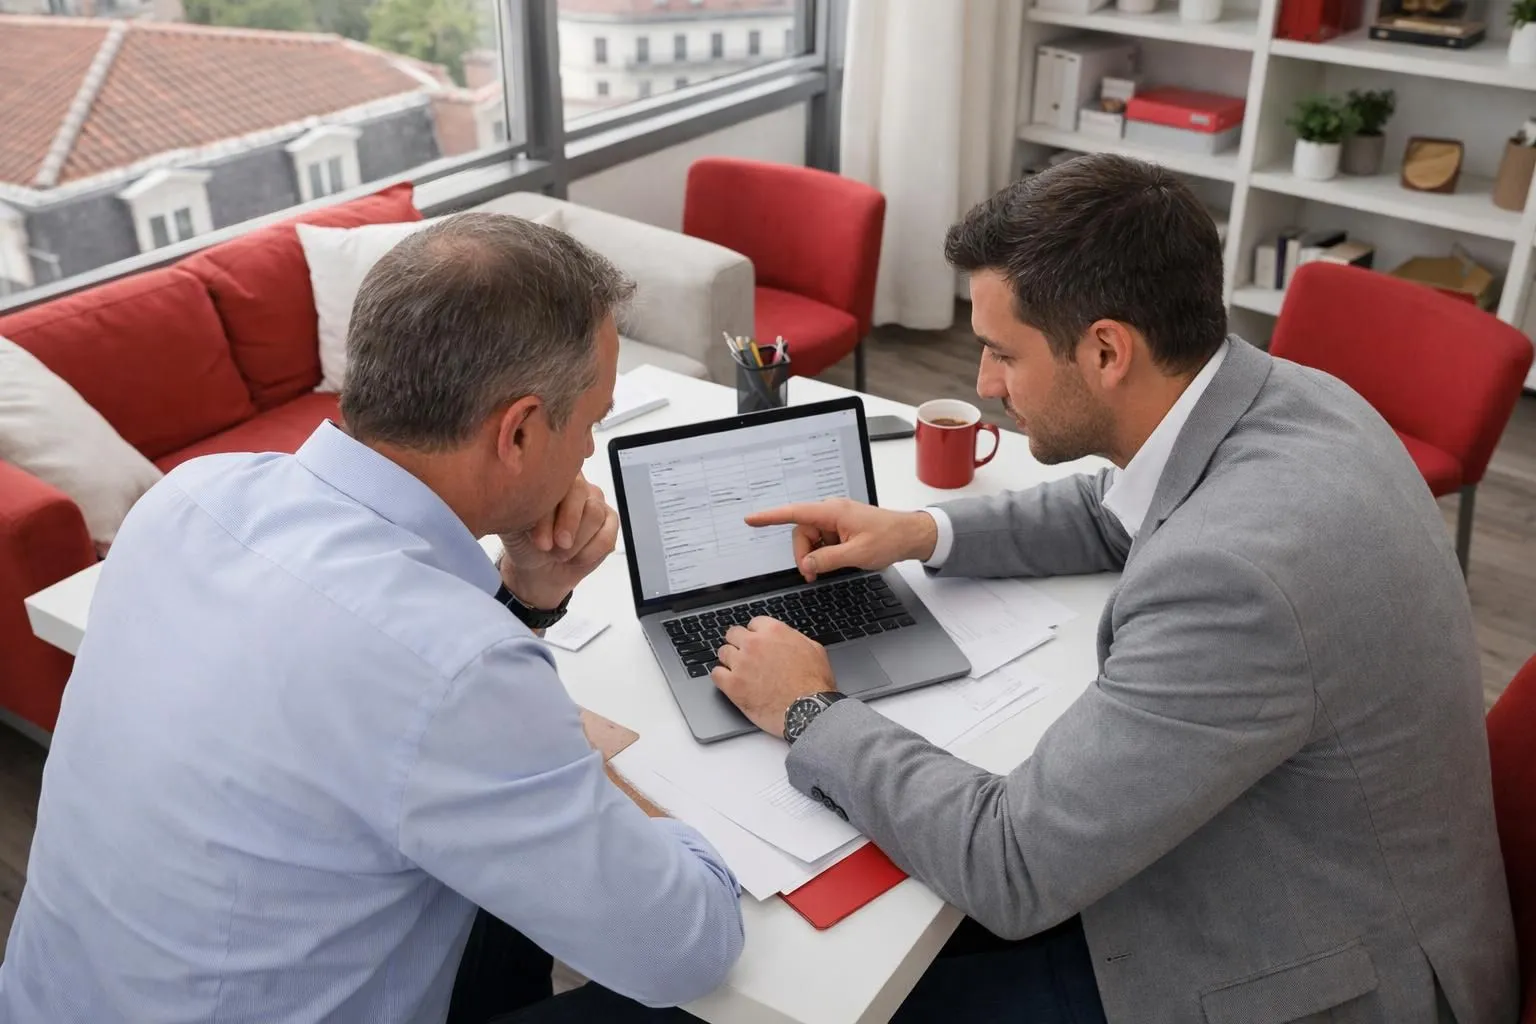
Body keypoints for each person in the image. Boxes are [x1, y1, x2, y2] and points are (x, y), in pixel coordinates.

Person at [708, 154, 1518, 1024]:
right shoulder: (1289, 397)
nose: (982, 387)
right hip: (1321, 864)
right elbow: (1121, 504)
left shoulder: (1234, 581)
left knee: (844, 984)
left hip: (1313, 974)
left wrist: (810, 710)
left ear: (1106, 350)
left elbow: (1011, 863)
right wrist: (922, 532)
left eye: (998, 353)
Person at [0, 213, 743, 1024]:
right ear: (521, 430)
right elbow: (686, 946)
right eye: (593, 422)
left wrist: (526, 599)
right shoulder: (455, 668)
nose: (590, 454)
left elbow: (365, 697)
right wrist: (589, 775)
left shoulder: (186, 499)